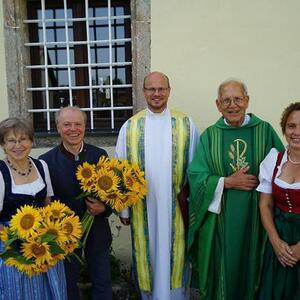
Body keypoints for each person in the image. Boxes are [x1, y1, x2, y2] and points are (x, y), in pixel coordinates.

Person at [187, 79, 284, 299]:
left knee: (253, 268)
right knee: (223, 269)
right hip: (220, 221)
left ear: (247, 100)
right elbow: (196, 175)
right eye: (226, 100)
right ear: (218, 104)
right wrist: (226, 182)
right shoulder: (210, 136)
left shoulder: (264, 131)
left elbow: (282, 169)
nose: (232, 105)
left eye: (238, 99)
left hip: (257, 220)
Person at [115, 71, 199, 300]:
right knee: (147, 255)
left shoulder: (186, 124)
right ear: (143, 92)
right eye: (151, 89)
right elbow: (119, 170)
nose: (156, 94)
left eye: (161, 89)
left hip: (176, 207)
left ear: (169, 91)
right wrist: (124, 209)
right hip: (142, 206)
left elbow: (196, 168)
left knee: (176, 255)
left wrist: (192, 208)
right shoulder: (130, 127)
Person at [40, 106, 113, 300]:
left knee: (102, 282)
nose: (73, 129)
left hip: (96, 231)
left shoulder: (100, 155)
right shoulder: (45, 161)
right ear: (57, 128)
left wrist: (104, 208)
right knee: (67, 284)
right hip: (64, 236)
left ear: (85, 126)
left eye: (78, 124)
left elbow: (113, 193)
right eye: (67, 125)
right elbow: (44, 201)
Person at [0, 117, 67, 300]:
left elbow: (48, 204)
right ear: (3, 145)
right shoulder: (0, 173)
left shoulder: (41, 166)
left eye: (23, 139)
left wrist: (52, 236)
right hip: (13, 248)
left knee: (50, 290)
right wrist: (18, 244)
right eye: (11, 141)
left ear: (31, 141)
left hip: (45, 245)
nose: (18, 145)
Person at [257, 102, 300, 300]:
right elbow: (265, 204)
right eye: (291, 126)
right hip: (279, 237)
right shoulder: (274, 160)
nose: (296, 132)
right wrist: (275, 242)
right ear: (284, 129)